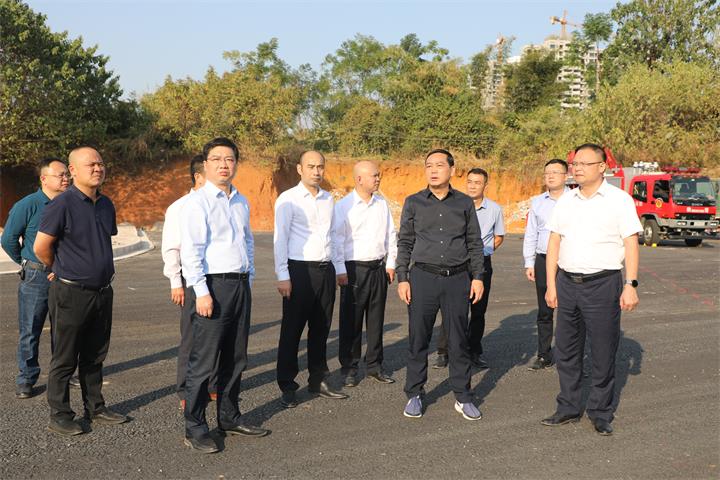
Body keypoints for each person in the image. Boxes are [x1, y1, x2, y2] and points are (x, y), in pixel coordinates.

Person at [541, 143, 641, 436]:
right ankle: (568, 407)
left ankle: (600, 412)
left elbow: (631, 243)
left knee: (602, 350)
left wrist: (630, 284)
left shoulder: (619, 200)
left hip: (603, 284)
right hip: (567, 283)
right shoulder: (566, 200)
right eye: (575, 163)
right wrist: (551, 284)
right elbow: (554, 241)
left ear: (602, 167)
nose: (578, 168)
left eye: (585, 163)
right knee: (567, 350)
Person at [180, 137, 269, 454]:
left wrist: (250, 277)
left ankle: (229, 417)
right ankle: (195, 427)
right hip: (212, 287)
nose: (223, 164)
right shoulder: (198, 202)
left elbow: (246, 242)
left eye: (229, 159)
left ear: (236, 164)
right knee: (203, 362)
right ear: (205, 165)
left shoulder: (240, 200)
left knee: (236, 357)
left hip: (239, 286)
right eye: (216, 159)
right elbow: (191, 252)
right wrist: (201, 292)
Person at [34, 147, 127, 436]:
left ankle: (95, 407)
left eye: (101, 163)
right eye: (91, 165)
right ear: (73, 170)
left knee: (95, 355)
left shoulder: (106, 204)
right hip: (71, 293)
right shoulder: (61, 204)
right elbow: (40, 247)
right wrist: (58, 267)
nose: (98, 168)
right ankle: (60, 415)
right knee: (64, 358)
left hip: (102, 291)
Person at [396, 149, 485, 421]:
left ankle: (463, 396)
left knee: (458, 339)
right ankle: (414, 392)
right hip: (422, 278)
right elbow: (405, 242)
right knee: (418, 337)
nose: (433, 170)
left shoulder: (464, 203)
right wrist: (403, 278)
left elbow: (474, 242)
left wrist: (478, 276)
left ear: (452, 170)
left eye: (439, 165)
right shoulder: (413, 202)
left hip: (458, 279)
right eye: (428, 166)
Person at [274, 150, 348, 409]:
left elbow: (334, 236)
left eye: (320, 167)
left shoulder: (328, 199)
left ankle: (318, 379)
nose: (316, 171)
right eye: (311, 166)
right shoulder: (288, 199)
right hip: (299, 271)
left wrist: (339, 268)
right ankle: (287, 385)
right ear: (300, 169)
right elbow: (280, 239)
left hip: (326, 270)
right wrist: (283, 275)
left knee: (321, 327)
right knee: (292, 330)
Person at [2, 158, 69, 399]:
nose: (66, 179)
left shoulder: (70, 204)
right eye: (60, 175)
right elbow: (8, 239)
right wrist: (26, 261)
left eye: (67, 175)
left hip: (64, 276)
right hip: (36, 276)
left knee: (64, 330)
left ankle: (62, 375)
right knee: (30, 330)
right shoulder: (28, 205)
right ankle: (27, 379)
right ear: (44, 179)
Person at [333, 160, 398, 387]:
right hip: (354, 270)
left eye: (379, 175)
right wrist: (340, 269)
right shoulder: (344, 206)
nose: (378, 179)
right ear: (359, 179)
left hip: (378, 269)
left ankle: (374, 366)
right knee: (351, 322)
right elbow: (336, 240)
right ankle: (349, 368)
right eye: (374, 175)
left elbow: (391, 235)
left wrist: (391, 263)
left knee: (376, 320)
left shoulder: (381, 205)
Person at [161, 155, 217, 408]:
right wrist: (176, 281)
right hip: (191, 277)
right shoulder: (180, 207)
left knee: (216, 334)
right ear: (198, 176)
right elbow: (171, 247)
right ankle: (186, 390)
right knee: (192, 336)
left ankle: (213, 385)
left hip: (218, 275)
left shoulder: (218, 202)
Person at [434, 168, 504, 370]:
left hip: (482, 264)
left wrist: (485, 251)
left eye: (477, 182)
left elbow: (499, 236)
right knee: (453, 309)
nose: (472, 186)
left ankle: (474, 351)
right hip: (458, 264)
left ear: (485, 185)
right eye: (470, 182)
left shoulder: (494, 209)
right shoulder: (454, 205)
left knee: (478, 310)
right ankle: (444, 351)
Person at [522, 159, 569, 370]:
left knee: (571, 310)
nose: (550, 176)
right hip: (542, 259)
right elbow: (531, 233)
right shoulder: (538, 202)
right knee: (544, 309)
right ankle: (544, 354)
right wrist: (529, 262)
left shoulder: (575, 200)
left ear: (566, 176)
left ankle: (570, 357)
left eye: (555, 172)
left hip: (568, 261)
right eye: (547, 173)